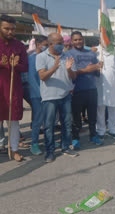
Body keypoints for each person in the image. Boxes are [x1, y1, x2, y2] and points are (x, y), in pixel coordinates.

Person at [36, 32, 78, 162]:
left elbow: (74, 77)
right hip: (49, 97)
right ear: (50, 44)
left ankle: (65, 147)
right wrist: (54, 67)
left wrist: (69, 69)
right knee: (49, 125)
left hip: (65, 95)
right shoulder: (41, 57)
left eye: (63, 43)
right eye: (59, 43)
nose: (62, 45)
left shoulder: (68, 56)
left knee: (66, 123)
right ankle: (50, 151)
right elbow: (42, 76)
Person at [67, 31, 103, 149]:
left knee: (92, 115)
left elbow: (96, 73)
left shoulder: (92, 54)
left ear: (83, 40)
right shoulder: (69, 54)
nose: (78, 42)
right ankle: (75, 138)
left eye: (80, 39)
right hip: (77, 90)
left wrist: (98, 68)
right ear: (72, 41)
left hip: (92, 89)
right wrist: (87, 69)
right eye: (75, 40)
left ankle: (93, 135)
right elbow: (72, 73)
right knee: (76, 116)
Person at [0, 15, 28, 162]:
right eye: (6, 28)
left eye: (13, 29)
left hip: (13, 88)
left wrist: (15, 64)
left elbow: (25, 67)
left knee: (14, 121)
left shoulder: (19, 46)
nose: (10, 32)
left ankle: (14, 148)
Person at [28, 35, 48, 155]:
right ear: (38, 44)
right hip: (37, 95)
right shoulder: (32, 58)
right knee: (38, 120)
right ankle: (34, 144)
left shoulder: (47, 57)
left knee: (47, 119)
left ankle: (48, 140)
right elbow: (32, 78)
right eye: (45, 44)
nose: (46, 47)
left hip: (48, 94)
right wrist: (40, 93)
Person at [96, 45, 115, 139]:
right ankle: (100, 130)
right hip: (100, 84)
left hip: (113, 84)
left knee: (114, 107)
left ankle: (113, 129)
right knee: (100, 108)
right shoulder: (95, 50)